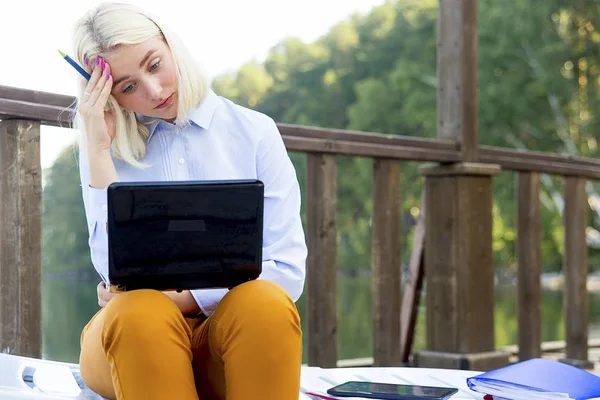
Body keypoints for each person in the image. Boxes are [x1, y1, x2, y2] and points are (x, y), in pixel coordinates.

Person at [71, 2, 307, 399]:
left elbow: (286, 270)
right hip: (133, 341)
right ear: (109, 96)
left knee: (264, 302)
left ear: (171, 45)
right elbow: (115, 276)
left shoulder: (254, 133)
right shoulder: (102, 147)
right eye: (128, 86)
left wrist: (182, 298)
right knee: (138, 312)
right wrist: (97, 152)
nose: (154, 91)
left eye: (154, 64)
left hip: (229, 344)